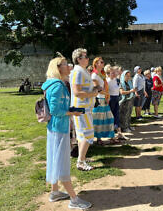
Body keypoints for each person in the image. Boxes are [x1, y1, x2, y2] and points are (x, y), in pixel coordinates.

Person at [41, 55, 92, 210]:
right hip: (59, 128)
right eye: (65, 64)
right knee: (62, 162)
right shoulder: (57, 85)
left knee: (55, 159)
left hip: (55, 127)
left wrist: (70, 111)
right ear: (58, 68)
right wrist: (72, 113)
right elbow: (56, 110)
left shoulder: (54, 84)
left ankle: (55, 192)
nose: (69, 66)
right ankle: (74, 199)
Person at [70, 48, 99, 171]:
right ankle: (81, 162)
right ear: (78, 59)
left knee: (83, 134)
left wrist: (94, 90)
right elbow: (77, 92)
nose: (88, 59)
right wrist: (93, 94)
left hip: (85, 107)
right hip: (81, 107)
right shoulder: (78, 72)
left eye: (87, 57)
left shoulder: (82, 71)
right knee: (87, 134)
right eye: (85, 57)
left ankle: (82, 158)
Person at [91, 57, 118, 145]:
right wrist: (107, 94)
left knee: (109, 118)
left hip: (104, 98)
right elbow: (97, 89)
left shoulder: (101, 74)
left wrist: (107, 94)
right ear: (96, 64)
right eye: (101, 62)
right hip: (98, 99)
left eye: (103, 62)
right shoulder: (94, 75)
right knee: (98, 120)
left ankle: (111, 137)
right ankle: (99, 138)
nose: (103, 63)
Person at [107, 67, 126, 140]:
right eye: (112, 73)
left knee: (117, 115)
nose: (114, 74)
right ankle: (111, 134)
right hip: (110, 99)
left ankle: (119, 133)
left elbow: (119, 89)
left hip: (116, 98)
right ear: (108, 74)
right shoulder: (107, 81)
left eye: (115, 72)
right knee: (111, 116)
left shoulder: (117, 80)